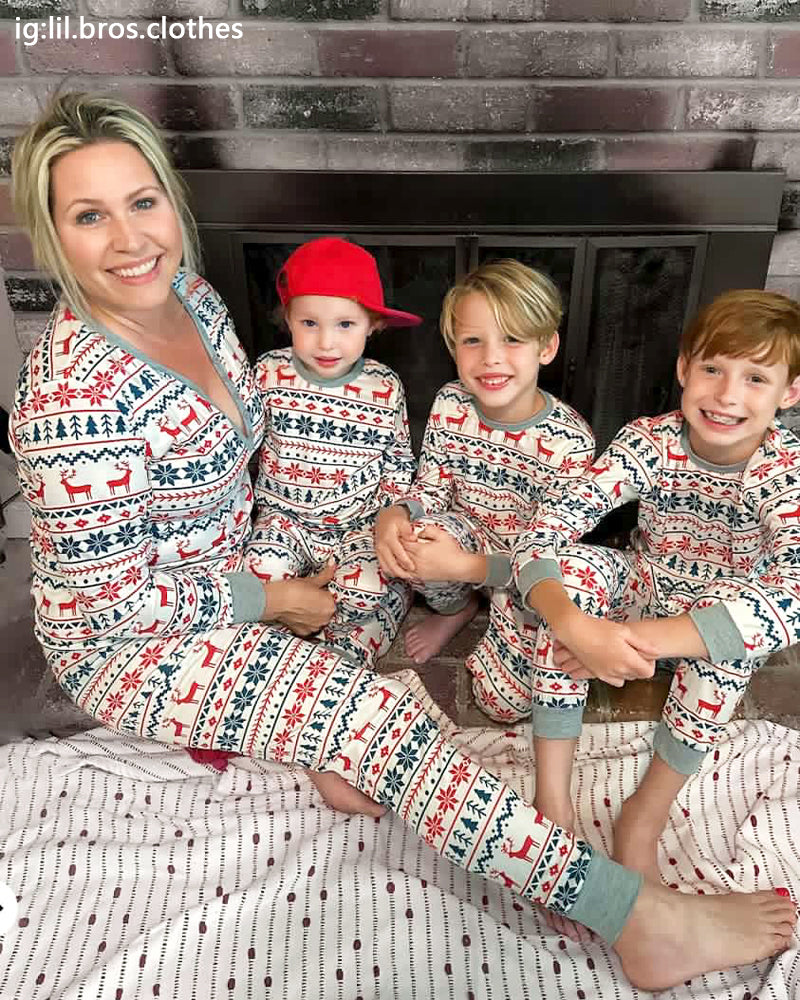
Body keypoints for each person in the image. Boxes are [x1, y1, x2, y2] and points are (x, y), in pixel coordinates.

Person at [7, 92, 796, 993]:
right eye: (88, 216)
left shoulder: (188, 296)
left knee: (362, 696)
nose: (129, 239)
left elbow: (281, 450)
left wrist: (362, 522)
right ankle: (638, 920)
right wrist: (277, 597)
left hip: (234, 565)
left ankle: (322, 734)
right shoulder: (69, 400)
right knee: (381, 720)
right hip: (132, 641)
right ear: (50, 233)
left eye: (142, 202)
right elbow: (113, 602)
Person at [514, 289, 800, 885]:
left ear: (788, 394)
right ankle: (553, 798)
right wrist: (577, 628)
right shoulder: (650, 441)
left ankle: (645, 814)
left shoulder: (784, 469)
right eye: (713, 369)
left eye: (755, 378)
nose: (727, 395)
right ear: (684, 369)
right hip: (645, 585)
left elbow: (793, 594)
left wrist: (631, 640)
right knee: (571, 574)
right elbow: (542, 530)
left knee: (734, 635)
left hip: (705, 630)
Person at [375, 260, 594, 726]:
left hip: (528, 567)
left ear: (546, 347)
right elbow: (431, 486)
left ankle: (497, 619)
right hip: (465, 535)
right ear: (455, 348)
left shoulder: (570, 443)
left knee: (504, 702)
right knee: (415, 537)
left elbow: (552, 557)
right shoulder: (451, 402)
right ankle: (458, 608)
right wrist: (397, 511)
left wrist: (465, 567)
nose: (491, 358)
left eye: (512, 339)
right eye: (473, 341)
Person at [245, 237, 418, 667]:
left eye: (345, 325)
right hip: (285, 519)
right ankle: (291, 621)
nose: (326, 342)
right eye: (309, 323)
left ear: (372, 324)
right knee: (259, 578)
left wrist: (390, 515)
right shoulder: (267, 372)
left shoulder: (384, 386)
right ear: (288, 318)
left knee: (364, 591)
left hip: (357, 526)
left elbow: (398, 462)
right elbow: (244, 446)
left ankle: (348, 626)